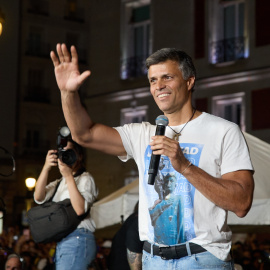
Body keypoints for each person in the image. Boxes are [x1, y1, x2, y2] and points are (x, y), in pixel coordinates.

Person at [50, 44, 254, 269]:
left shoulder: (223, 131)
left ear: (189, 81)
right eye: (153, 80)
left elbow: (242, 203)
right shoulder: (142, 133)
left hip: (202, 259)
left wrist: (185, 166)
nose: (159, 86)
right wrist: (68, 93)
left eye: (167, 77)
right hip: (153, 260)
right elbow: (84, 134)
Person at [34, 136, 98, 270]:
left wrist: (69, 176)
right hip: (66, 240)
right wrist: (46, 167)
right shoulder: (60, 182)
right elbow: (38, 197)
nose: (66, 156)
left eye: (70, 152)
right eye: (63, 153)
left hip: (78, 238)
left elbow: (80, 210)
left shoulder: (85, 178)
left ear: (79, 156)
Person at [109, 202, 143, 270]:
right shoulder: (137, 221)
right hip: (123, 264)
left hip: (119, 261)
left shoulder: (132, 219)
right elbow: (132, 241)